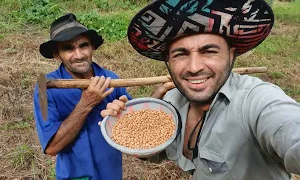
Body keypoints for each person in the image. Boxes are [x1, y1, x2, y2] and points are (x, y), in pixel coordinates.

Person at [100, 0, 300, 179]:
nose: (194, 67)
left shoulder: (256, 101)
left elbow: (289, 129)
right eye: (180, 54)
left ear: (231, 56)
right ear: (168, 62)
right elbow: (156, 153)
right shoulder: (173, 101)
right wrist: (131, 127)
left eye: (209, 51)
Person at [33, 13, 133, 180]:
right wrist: (86, 103)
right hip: (74, 176)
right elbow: (51, 148)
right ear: (57, 54)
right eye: (68, 48)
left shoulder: (112, 80)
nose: (78, 55)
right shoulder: (45, 89)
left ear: (92, 47)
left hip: (111, 174)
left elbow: (136, 126)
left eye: (83, 45)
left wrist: (125, 113)